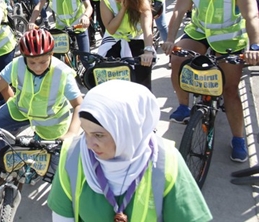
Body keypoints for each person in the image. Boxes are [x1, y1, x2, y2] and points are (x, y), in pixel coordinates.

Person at [48, 80, 212, 222]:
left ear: (128, 130)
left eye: (99, 135)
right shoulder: (72, 154)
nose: (89, 145)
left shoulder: (166, 161)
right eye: (85, 132)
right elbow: (62, 215)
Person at [162, 0, 259, 162]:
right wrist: (169, 39)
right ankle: (184, 106)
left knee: (230, 90)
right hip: (199, 32)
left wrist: (254, 47)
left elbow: (252, 17)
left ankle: (238, 139)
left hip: (228, 38)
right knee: (177, 58)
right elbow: (178, 11)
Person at [0, 29, 83, 183]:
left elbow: (79, 105)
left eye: (43, 62)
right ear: (24, 57)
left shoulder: (62, 72)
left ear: (51, 55)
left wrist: (72, 133)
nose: (37, 67)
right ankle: (4, 168)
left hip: (51, 121)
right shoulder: (17, 64)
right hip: (21, 110)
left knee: (60, 173)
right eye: (32, 62)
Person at [99, 0, 155, 90]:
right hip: (114, 41)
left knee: (143, 80)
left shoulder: (142, 2)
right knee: (108, 79)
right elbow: (111, 29)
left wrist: (148, 50)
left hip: (136, 40)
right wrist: (123, 9)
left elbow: (147, 28)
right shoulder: (105, 0)